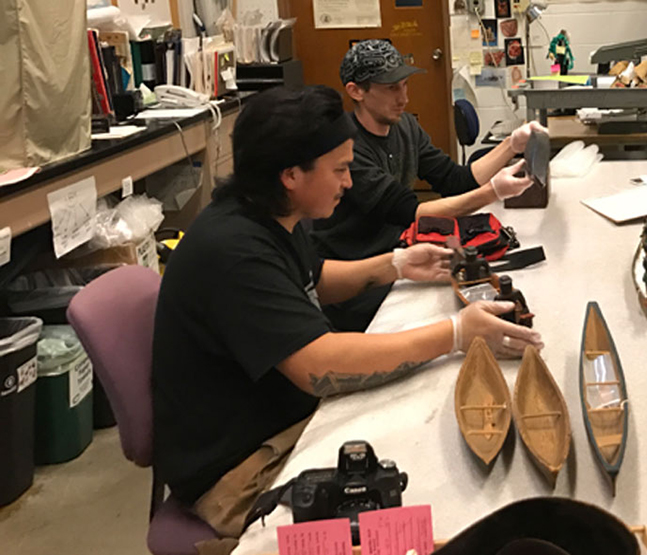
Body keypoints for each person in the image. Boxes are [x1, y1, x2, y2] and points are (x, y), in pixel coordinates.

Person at [152, 86, 542, 550]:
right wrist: (456, 333)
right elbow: (320, 367)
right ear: (292, 175)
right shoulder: (234, 249)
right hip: (240, 467)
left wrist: (392, 265)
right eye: (339, 170)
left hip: (280, 419)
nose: (349, 182)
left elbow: (313, 276)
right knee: (431, 511)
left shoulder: (269, 214)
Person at [312, 39, 547, 332]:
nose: (403, 98)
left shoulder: (406, 127)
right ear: (356, 91)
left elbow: (454, 180)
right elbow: (410, 212)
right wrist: (492, 192)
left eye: (405, 85)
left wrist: (512, 145)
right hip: (357, 277)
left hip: (400, 257)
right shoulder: (349, 148)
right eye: (391, 88)